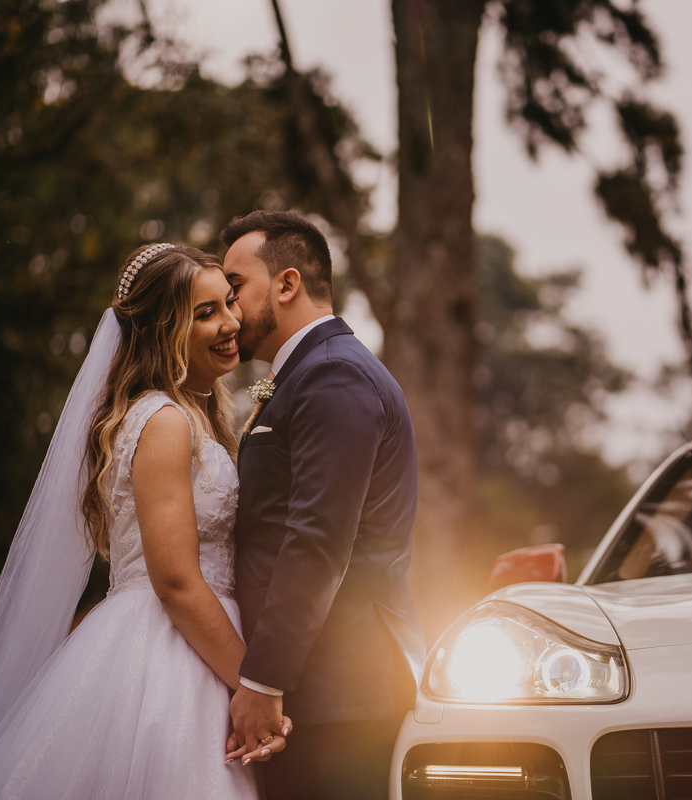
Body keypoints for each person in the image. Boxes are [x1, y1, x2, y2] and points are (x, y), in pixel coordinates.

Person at [0, 243, 286, 799]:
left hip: (196, 640)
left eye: (228, 303)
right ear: (163, 330)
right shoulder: (163, 421)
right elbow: (177, 581)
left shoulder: (192, 413)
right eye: (204, 313)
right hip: (170, 653)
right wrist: (254, 686)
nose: (231, 322)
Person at [222, 211, 425, 800]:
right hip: (318, 688)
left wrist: (264, 679)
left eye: (235, 287)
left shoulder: (332, 374)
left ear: (287, 284)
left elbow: (316, 539)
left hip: (339, 691)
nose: (229, 308)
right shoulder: (305, 375)